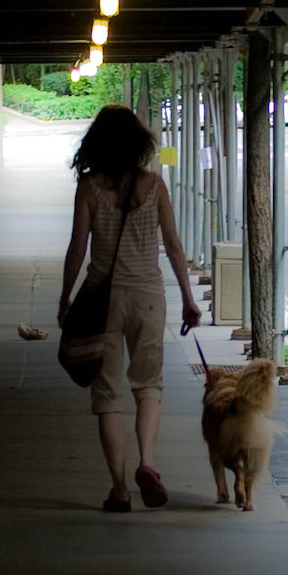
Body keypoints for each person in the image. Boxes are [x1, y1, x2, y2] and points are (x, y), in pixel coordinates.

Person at [58, 105, 201, 512]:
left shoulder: (89, 188)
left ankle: (120, 490)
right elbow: (173, 245)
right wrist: (188, 298)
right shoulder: (154, 186)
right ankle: (148, 464)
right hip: (148, 297)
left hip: (102, 299)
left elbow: (77, 248)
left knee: (107, 394)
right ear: (139, 143)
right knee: (149, 385)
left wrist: (65, 297)